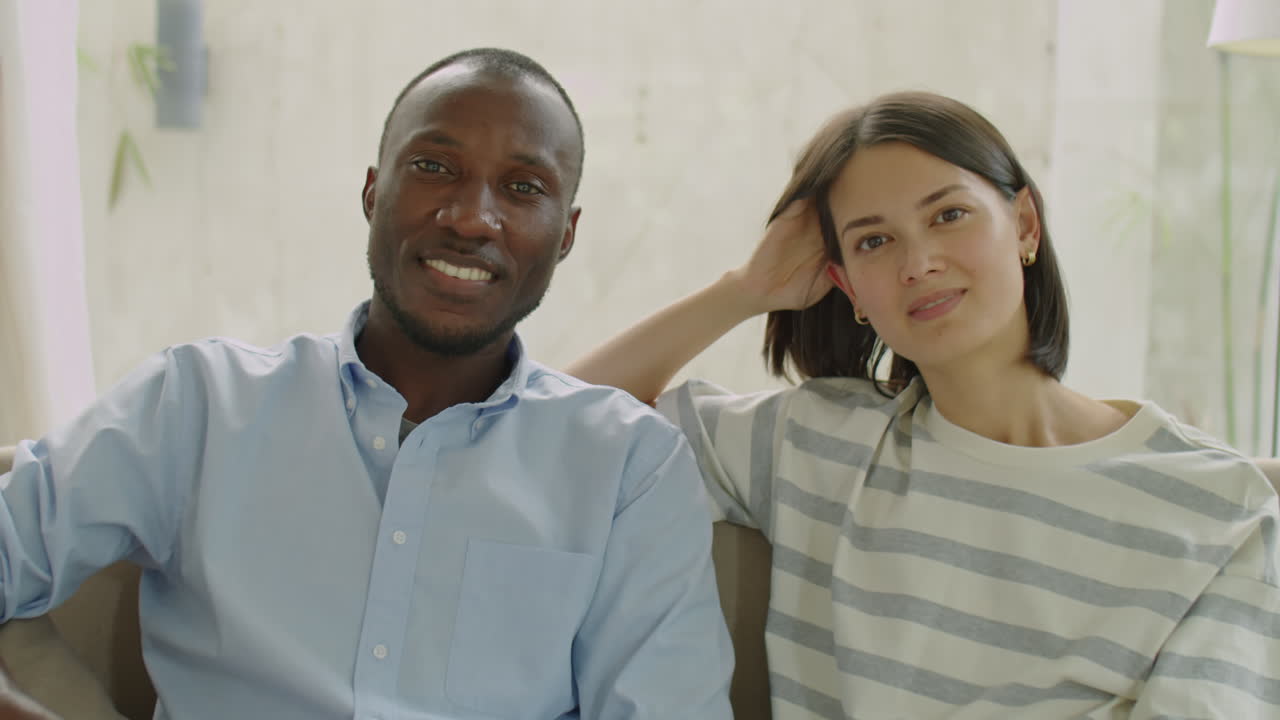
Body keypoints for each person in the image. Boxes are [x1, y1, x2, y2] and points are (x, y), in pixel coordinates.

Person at [0, 48, 733, 720]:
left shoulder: (631, 471)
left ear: (565, 234)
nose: (472, 218)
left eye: (521, 187)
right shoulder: (194, 405)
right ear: (373, 191)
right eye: (436, 168)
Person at [570, 91, 1280, 718]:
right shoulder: (813, 444)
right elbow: (560, 434)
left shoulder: (1221, 511)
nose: (919, 263)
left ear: (1025, 224)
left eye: (949, 215)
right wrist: (743, 291)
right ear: (846, 286)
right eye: (874, 240)